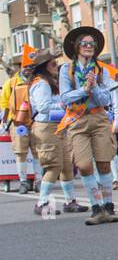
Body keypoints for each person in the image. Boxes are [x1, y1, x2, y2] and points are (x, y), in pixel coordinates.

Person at [58, 27, 118, 225]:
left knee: (103, 163)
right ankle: (95, 207)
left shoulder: (101, 70)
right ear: (77, 48)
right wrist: (83, 90)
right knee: (84, 165)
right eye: (85, 44)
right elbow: (65, 97)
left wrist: (93, 88)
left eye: (92, 44)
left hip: (99, 118)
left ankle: (107, 207)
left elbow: (106, 98)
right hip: (77, 121)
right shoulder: (66, 70)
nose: (88, 47)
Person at [25, 48, 84, 216]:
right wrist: (63, 106)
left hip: (58, 127)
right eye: (52, 62)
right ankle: (42, 202)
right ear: (44, 66)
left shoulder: (50, 81)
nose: (56, 64)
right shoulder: (41, 83)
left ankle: (70, 201)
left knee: (66, 165)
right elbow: (43, 107)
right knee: (53, 166)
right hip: (47, 127)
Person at [1, 58, 34, 193]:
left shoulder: (38, 81)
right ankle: (23, 182)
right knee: (21, 152)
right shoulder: (10, 83)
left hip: (36, 122)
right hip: (17, 122)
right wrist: (5, 124)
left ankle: (38, 180)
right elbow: (4, 104)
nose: (28, 69)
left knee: (38, 152)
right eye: (26, 66)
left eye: (31, 66)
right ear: (21, 67)